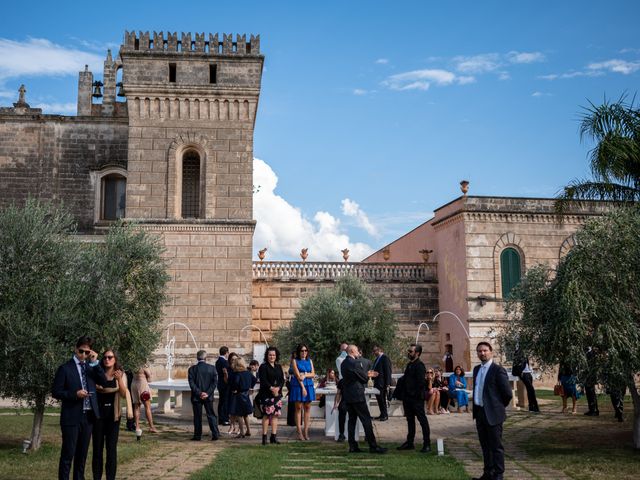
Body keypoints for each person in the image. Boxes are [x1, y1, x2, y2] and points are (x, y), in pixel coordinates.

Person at [52, 336, 107, 480]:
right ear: (76, 349)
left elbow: (103, 381)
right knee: (68, 455)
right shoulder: (65, 368)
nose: (84, 355)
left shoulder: (91, 367)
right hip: (71, 417)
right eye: (81, 351)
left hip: (88, 417)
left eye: (87, 352)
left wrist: (95, 362)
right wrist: (74, 394)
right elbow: (56, 392)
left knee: (82, 456)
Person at [472, 342, 513, 480]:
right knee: (485, 446)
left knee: (496, 446)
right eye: (479, 351)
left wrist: (497, 406)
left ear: (491, 352)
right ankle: (487, 473)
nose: (482, 353)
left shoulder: (498, 370)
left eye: (484, 350)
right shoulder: (476, 369)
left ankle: (498, 474)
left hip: (494, 414)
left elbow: (507, 394)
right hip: (479, 413)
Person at [340, 344, 387, 454]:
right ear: (352, 351)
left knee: (351, 421)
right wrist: (370, 375)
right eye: (356, 351)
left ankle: (352, 446)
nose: (358, 353)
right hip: (357, 395)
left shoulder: (344, 363)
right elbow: (363, 378)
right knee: (366, 420)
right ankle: (373, 446)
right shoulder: (355, 363)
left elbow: (356, 375)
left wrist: (366, 374)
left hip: (348, 395)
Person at [92, 349, 130, 480]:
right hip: (98, 416)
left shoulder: (120, 374)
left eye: (110, 357)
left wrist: (119, 380)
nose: (107, 360)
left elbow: (124, 394)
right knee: (97, 450)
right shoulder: (98, 373)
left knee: (111, 450)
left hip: (113, 416)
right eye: (105, 358)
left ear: (115, 359)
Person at [397, 344, 431, 453]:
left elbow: (421, 383)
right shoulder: (409, 365)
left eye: (410, 351)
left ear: (417, 353)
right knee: (410, 420)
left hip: (416, 399)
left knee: (422, 421)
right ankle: (410, 442)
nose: (409, 353)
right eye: (409, 351)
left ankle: (427, 444)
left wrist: (413, 394)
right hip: (407, 398)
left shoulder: (420, 366)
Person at [187, 350, 219, 441]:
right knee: (211, 415)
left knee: (197, 416)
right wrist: (207, 393)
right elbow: (214, 383)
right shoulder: (212, 368)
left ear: (197, 358)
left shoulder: (192, 369)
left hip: (197, 396)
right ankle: (215, 434)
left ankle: (197, 435)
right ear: (206, 358)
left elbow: (191, 383)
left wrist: (199, 393)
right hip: (208, 396)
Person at [257, 346, 285, 445]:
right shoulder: (263, 367)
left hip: (277, 395)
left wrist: (278, 388)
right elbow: (263, 380)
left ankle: (273, 437)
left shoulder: (279, 367)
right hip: (266, 394)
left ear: (276, 356)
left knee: (275, 416)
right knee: (266, 415)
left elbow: (282, 380)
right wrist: (271, 388)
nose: (272, 357)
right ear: (267, 356)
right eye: (270, 355)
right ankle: (264, 438)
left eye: (273, 355)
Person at [290, 343, 316, 440]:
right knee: (298, 407)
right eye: (302, 351)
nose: (304, 352)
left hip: (309, 385)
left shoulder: (310, 361)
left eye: (305, 350)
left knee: (308, 408)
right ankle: (299, 431)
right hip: (298, 385)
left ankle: (306, 431)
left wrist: (305, 375)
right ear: (299, 352)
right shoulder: (295, 361)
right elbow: (297, 375)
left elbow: (313, 374)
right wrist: (303, 387)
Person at [229, 356, 255, 437]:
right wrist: (250, 386)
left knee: (239, 414)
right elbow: (254, 379)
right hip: (246, 394)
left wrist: (234, 389)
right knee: (246, 414)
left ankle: (242, 432)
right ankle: (249, 430)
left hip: (239, 395)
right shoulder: (248, 373)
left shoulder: (237, 374)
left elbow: (236, 383)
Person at [511, 348, 539, 413]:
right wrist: (520, 372)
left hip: (528, 373)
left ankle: (532, 407)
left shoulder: (524, 354)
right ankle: (534, 408)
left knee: (530, 391)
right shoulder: (519, 353)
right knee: (531, 391)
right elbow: (517, 365)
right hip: (524, 374)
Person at [131, 365, 157, 433]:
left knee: (136, 406)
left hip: (134, 384)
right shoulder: (143, 364)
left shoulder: (132, 364)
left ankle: (137, 426)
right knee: (147, 406)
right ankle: (151, 426)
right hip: (142, 384)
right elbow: (149, 377)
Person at [372, 345, 392, 421]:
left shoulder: (385, 358)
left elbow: (388, 371)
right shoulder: (377, 359)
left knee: (382, 399)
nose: (373, 352)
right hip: (377, 382)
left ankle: (385, 415)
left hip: (382, 383)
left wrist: (388, 383)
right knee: (379, 400)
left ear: (380, 350)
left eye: (375, 351)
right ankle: (382, 414)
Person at [335, 342, 349, 438]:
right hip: (343, 384)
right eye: (342, 349)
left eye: (346, 349)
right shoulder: (339, 359)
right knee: (342, 409)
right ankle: (341, 433)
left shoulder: (355, 360)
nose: (344, 351)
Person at [215, 346, 231, 426]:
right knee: (225, 402)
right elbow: (225, 373)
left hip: (220, 383)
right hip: (225, 384)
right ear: (226, 353)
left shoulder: (218, 361)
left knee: (221, 402)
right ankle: (225, 419)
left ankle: (221, 419)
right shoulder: (224, 362)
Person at [226, 352, 240, 435]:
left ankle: (239, 427)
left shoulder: (240, 368)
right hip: (230, 390)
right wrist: (225, 375)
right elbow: (227, 381)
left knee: (238, 411)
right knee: (231, 410)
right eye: (232, 359)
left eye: (235, 359)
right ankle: (232, 426)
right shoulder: (228, 368)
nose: (234, 361)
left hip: (238, 391)